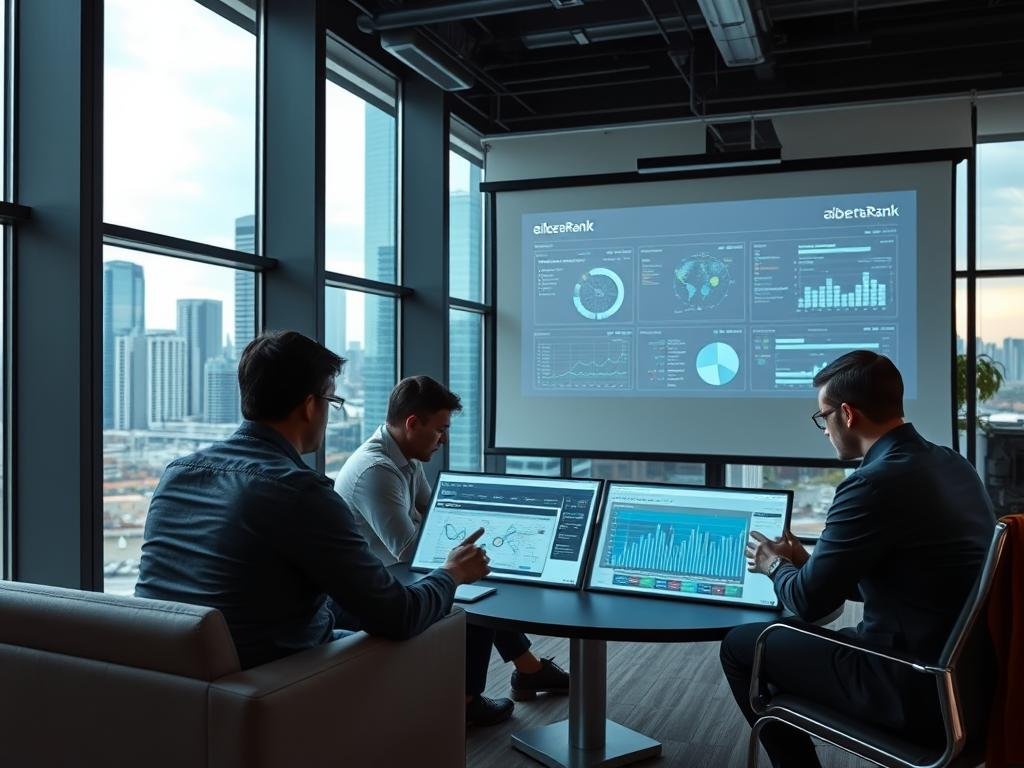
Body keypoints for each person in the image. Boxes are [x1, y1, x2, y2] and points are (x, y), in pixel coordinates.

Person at [135, 331, 489, 676]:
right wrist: (452, 573)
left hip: (168, 673)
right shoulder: (301, 491)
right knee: (437, 617)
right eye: (332, 402)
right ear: (309, 406)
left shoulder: (177, 473)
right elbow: (398, 616)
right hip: (279, 676)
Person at [720, 350, 996, 768]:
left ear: (847, 414)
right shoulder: (951, 463)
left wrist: (774, 564)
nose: (824, 430)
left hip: (908, 684)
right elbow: (907, 574)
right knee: (784, 638)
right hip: (970, 682)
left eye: (823, 417)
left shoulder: (871, 484)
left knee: (744, 645)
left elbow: (809, 604)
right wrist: (812, 563)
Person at [335, 375, 570, 726]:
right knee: (469, 590)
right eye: (440, 430)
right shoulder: (376, 471)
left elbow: (438, 516)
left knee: (477, 573)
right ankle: (467, 701)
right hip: (369, 595)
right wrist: (465, 557)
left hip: (394, 575)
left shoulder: (406, 457)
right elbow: (412, 552)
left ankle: (528, 669)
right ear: (413, 423)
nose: (444, 440)